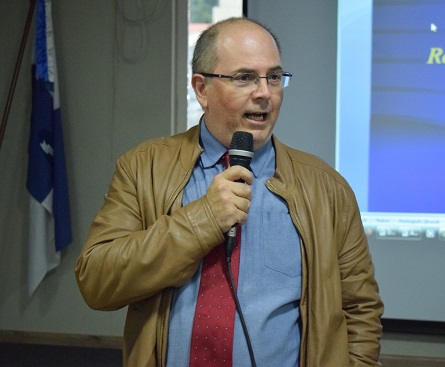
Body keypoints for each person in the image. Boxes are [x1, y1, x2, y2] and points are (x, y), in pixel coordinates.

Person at [75, 17, 383, 367]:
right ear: (201, 89)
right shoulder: (143, 168)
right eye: (245, 77)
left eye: (274, 77)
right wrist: (202, 219)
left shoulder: (327, 190)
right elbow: (96, 280)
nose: (265, 92)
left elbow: (360, 310)